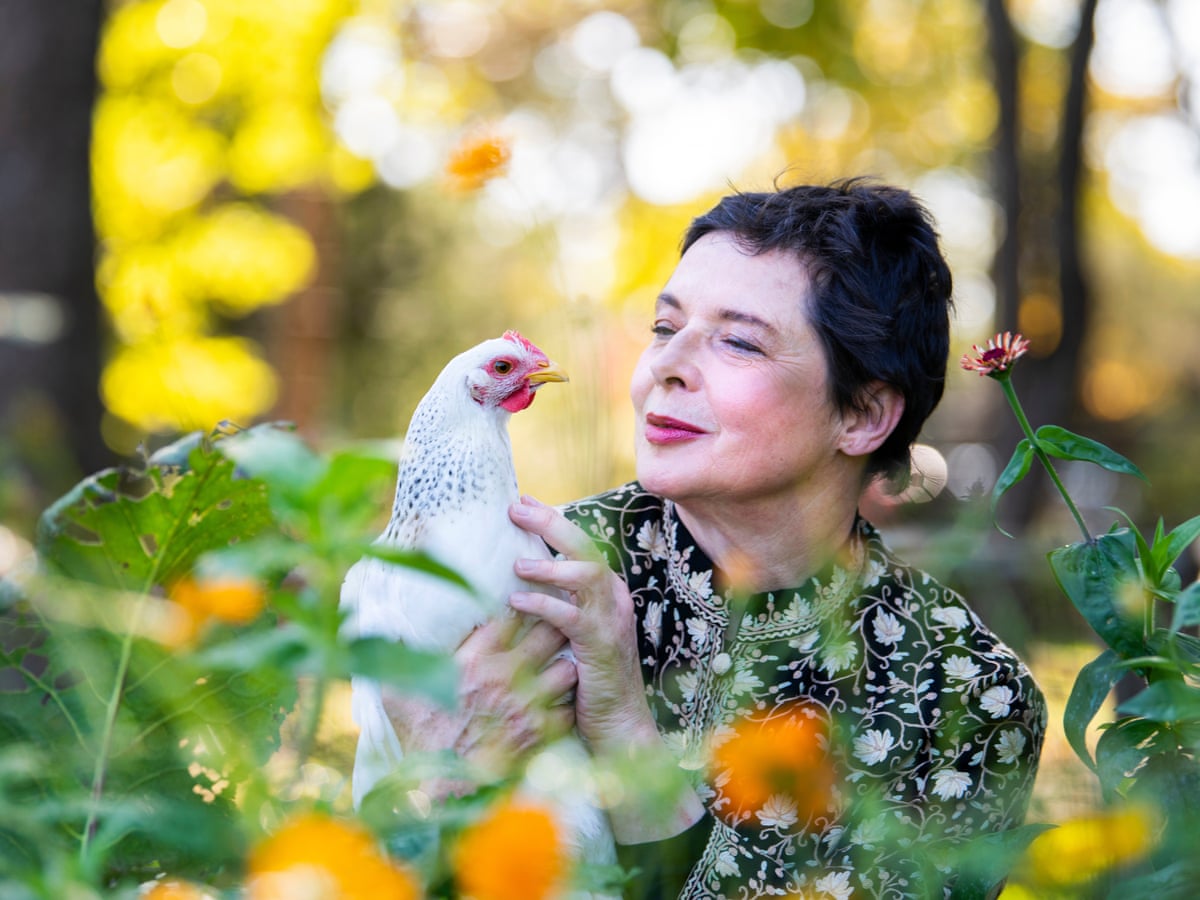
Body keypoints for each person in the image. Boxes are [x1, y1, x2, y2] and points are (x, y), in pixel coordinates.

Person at [387, 178, 1046, 899]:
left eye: (737, 342)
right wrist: (439, 788)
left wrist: (621, 724)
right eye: (666, 329)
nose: (665, 367)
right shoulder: (532, 571)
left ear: (861, 415)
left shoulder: (966, 689)